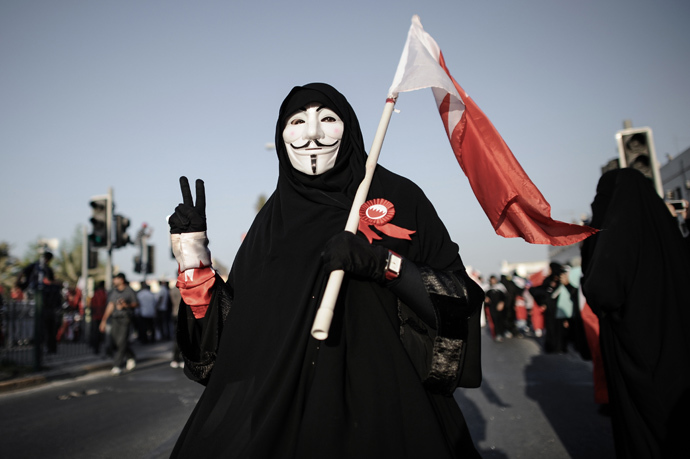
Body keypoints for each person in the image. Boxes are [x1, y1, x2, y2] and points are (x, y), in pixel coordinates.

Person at [168, 83, 484, 458]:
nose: (312, 133)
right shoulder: (270, 225)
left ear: (348, 127)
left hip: (390, 414)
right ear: (281, 135)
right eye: (297, 121)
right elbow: (227, 349)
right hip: (290, 422)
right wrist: (194, 260)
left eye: (327, 119)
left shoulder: (402, 196)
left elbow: (458, 300)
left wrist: (386, 265)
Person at [581, 168, 690, 458]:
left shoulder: (619, 238)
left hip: (638, 352)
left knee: (646, 428)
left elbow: (602, 290)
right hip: (679, 350)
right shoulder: (668, 235)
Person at [100, 273, 138, 375]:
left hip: (125, 319)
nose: (114, 281)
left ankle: (117, 365)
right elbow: (110, 306)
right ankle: (131, 356)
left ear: (121, 280)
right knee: (116, 341)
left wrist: (127, 305)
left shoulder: (129, 291)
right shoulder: (113, 292)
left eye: (115, 279)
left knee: (121, 341)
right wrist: (103, 320)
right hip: (115, 319)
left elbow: (136, 303)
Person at [484, 275, 507, 341]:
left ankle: (503, 331)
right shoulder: (487, 287)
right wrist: (485, 298)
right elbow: (483, 295)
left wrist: (502, 303)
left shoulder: (501, 287)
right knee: (494, 319)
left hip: (500, 306)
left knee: (501, 319)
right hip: (491, 307)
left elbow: (505, 296)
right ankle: (497, 334)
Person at [89, 281, 107, 355]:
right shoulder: (104, 293)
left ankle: (95, 348)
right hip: (102, 316)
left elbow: (92, 304)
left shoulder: (96, 293)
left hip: (96, 315)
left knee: (95, 332)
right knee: (100, 333)